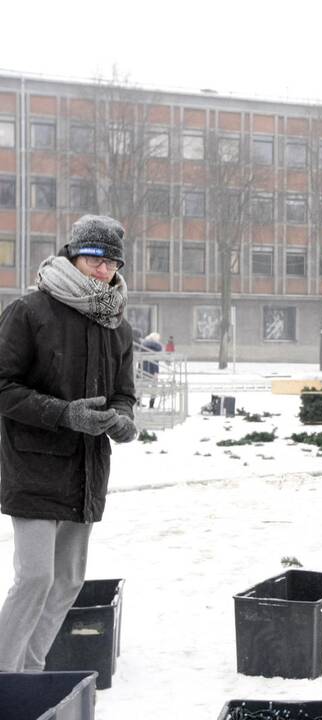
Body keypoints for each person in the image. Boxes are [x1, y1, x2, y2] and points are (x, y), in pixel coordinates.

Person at [0, 214, 138, 672]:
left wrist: (122, 419)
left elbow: (123, 393)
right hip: (34, 466)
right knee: (35, 577)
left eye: (112, 261)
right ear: (73, 256)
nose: (104, 269)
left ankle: (30, 674)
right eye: (95, 259)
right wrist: (64, 414)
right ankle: (4, 673)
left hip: (86, 470)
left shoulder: (117, 325)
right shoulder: (30, 312)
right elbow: (3, 387)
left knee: (67, 582)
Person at [138, 332, 163, 408]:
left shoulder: (143, 346)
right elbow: (156, 360)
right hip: (153, 369)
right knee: (154, 387)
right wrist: (156, 373)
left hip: (142, 369)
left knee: (140, 386)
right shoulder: (157, 347)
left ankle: (138, 401)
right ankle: (151, 404)